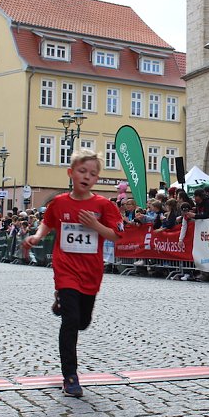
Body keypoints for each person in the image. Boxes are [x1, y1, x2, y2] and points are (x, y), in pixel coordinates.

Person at [23, 150, 124, 398]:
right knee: (70, 321)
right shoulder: (59, 203)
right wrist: (37, 236)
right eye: (82, 171)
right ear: (71, 173)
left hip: (91, 272)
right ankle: (70, 376)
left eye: (92, 173)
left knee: (82, 322)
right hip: (65, 269)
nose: (86, 176)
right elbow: (48, 221)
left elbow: (116, 234)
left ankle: (62, 302)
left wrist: (95, 225)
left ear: (97, 178)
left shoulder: (103, 205)